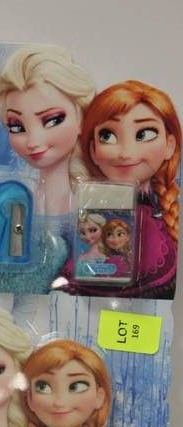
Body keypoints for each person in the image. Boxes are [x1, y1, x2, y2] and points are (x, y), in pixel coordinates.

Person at [0, 45, 96, 309]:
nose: (33, 141)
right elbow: (5, 279)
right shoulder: (17, 202)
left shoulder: (94, 201)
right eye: (17, 126)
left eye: (52, 120)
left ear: (82, 118)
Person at [65, 79, 181, 298]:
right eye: (107, 136)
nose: (126, 153)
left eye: (144, 134)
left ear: (170, 145)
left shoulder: (154, 219)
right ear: (93, 149)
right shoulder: (91, 207)